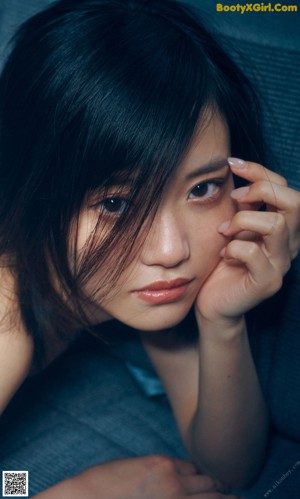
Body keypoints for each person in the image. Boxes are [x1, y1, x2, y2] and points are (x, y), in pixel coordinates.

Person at [0, 0, 299, 497]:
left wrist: (221, 321)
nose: (169, 250)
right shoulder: (7, 317)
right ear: (38, 189)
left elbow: (227, 471)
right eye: (115, 202)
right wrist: (74, 493)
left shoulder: (122, 293)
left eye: (202, 189)